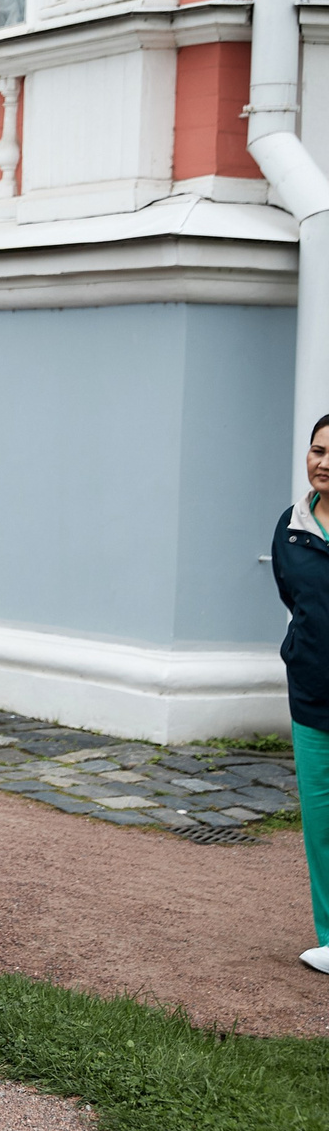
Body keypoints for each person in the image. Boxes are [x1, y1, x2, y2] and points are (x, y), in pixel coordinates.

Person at [268, 416, 329, 977]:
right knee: (321, 819)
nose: (323, 462)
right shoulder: (292, 526)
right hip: (312, 693)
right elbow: (296, 599)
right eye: (317, 450)